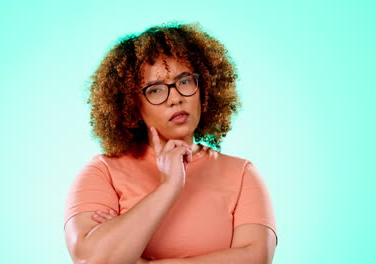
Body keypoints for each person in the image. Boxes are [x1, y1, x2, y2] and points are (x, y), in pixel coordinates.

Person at [64, 22, 278, 264]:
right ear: (132, 105)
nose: (175, 98)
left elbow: (255, 258)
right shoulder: (103, 172)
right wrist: (168, 187)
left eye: (185, 81)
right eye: (155, 90)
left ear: (204, 87)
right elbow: (92, 260)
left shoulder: (242, 174)